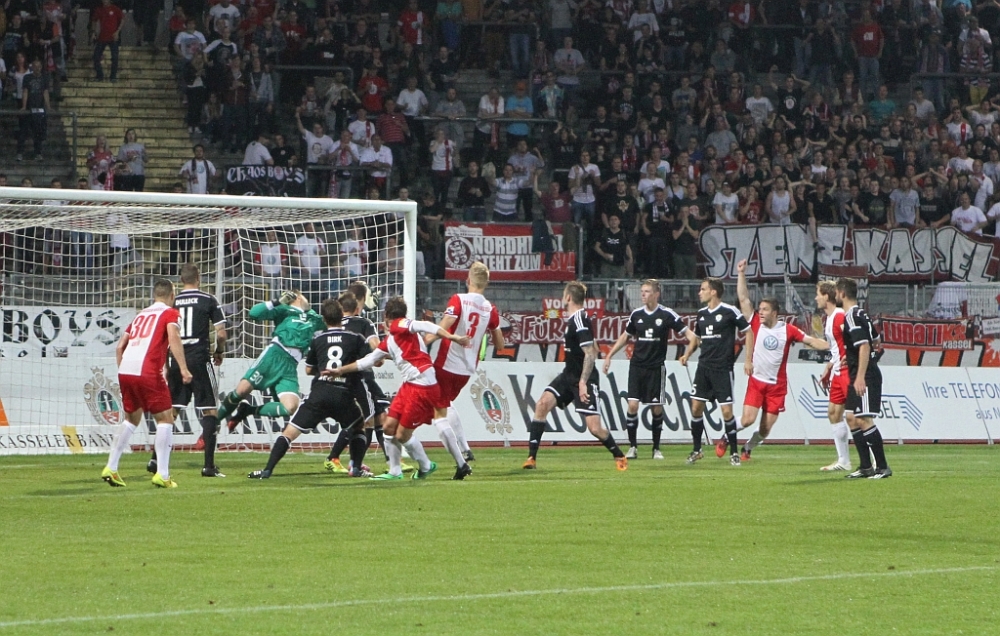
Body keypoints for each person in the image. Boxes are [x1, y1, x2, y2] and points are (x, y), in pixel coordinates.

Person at [326, 297, 471, 481]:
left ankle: (427, 466)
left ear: (386, 316)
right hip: (412, 384)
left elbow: (425, 325)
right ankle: (396, 471)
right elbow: (368, 361)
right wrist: (340, 370)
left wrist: (453, 337)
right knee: (388, 426)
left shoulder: (399, 325)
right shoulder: (391, 340)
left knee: (403, 433)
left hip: (421, 384)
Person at [249, 299, 372, 479]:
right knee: (359, 426)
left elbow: (308, 370)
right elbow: (368, 362)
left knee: (289, 432)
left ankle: (267, 470)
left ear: (324, 319)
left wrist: (323, 370)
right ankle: (356, 468)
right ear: (342, 316)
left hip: (320, 393)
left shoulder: (318, 339)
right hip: (343, 394)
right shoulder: (355, 338)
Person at [722, 259, 829, 461]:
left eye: (764, 309)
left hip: (777, 387)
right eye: (760, 309)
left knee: (765, 429)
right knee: (747, 419)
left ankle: (747, 448)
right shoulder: (755, 322)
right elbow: (743, 298)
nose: (760, 312)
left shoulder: (788, 330)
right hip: (757, 381)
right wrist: (741, 273)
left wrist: (833, 345)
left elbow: (811, 341)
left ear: (774, 312)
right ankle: (726, 437)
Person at [523, 281, 628, 471]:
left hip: (584, 379)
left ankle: (619, 455)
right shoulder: (575, 319)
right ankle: (531, 458)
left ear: (568, 297)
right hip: (568, 375)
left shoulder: (579, 319)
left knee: (594, 428)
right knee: (542, 404)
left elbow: (590, 353)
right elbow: (593, 346)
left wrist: (583, 382)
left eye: (564, 295)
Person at [101, 280, 192, 489]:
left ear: (154, 295)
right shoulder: (170, 313)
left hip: (126, 370)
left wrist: (125, 370)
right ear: (172, 295)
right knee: (166, 418)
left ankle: (111, 467)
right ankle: (163, 474)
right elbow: (174, 337)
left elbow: (119, 347)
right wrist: (183, 368)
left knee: (131, 419)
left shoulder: (140, 315)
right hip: (147, 370)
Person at [426, 262, 504, 479]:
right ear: (486, 283)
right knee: (446, 403)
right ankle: (465, 448)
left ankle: (460, 460)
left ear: (468, 280)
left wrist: (426, 339)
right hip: (466, 370)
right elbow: (500, 345)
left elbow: (445, 324)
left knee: (438, 412)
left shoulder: (458, 300)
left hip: (446, 364)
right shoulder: (490, 309)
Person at [603, 279, 697, 459]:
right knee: (632, 405)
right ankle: (633, 447)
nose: (643, 295)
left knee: (656, 408)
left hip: (656, 368)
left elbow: (690, 335)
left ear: (656, 294)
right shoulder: (636, 314)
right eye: (642, 292)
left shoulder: (666, 314)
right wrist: (609, 355)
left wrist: (687, 353)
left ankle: (656, 448)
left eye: (646, 291)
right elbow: (626, 336)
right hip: (637, 366)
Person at [323, 286, 411, 474]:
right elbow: (376, 347)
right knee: (367, 420)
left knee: (378, 417)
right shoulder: (364, 322)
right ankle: (347, 461)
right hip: (361, 377)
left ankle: (391, 460)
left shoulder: (333, 326)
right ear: (358, 304)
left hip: (338, 377)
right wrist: (385, 356)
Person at [157, 264, 228, 478]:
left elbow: (165, 336)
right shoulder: (208, 299)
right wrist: (219, 351)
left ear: (181, 280)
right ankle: (208, 466)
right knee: (210, 410)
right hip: (199, 359)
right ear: (199, 278)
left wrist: (166, 365)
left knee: (172, 410)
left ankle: (155, 460)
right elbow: (221, 333)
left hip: (176, 360)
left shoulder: (173, 301)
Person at [217, 290, 325, 430]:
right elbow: (254, 313)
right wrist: (277, 301)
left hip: (291, 365)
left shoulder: (314, 318)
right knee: (242, 391)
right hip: (274, 355)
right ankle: (212, 425)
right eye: (304, 296)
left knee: (290, 407)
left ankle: (248, 410)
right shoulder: (284, 310)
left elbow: (336, 323)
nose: (307, 299)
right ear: (297, 297)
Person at [680, 276, 753, 466]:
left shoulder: (729, 311)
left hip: (722, 369)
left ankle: (734, 452)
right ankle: (697, 450)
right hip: (704, 368)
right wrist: (687, 354)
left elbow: (748, 331)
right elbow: (697, 338)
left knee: (727, 412)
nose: (700, 293)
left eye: (703, 289)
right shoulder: (701, 313)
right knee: (696, 407)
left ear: (713, 292)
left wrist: (748, 360)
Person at [836, 277, 892, 479]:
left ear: (842, 293)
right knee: (851, 418)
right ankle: (866, 466)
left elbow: (866, 346)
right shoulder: (862, 314)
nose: (836, 296)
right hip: (858, 372)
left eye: (836, 292)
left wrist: (860, 376)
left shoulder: (851, 316)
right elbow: (876, 340)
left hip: (865, 375)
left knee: (864, 419)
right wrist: (850, 357)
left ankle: (883, 467)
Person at [815, 280, 853, 472]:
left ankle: (873, 460)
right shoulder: (829, 319)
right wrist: (829, 367)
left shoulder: (839, 316)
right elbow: (837, 348)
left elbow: (854, 338)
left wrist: (851, 357)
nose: (816, 298)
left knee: (858, 417)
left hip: (847, 371)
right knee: (833, 413)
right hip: (837, 371)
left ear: (826, 296)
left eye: (818, 294)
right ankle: (844, 461)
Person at [91, 0, 123, 82]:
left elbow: (122, 19)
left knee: (115, 57)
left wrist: (117, 31)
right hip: (102, 37)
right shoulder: (99, 10)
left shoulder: (115, 9)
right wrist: (94, 32)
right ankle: (99, 76)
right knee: (96, 56)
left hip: (113, 37)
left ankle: (113, 77)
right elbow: (94, 20)